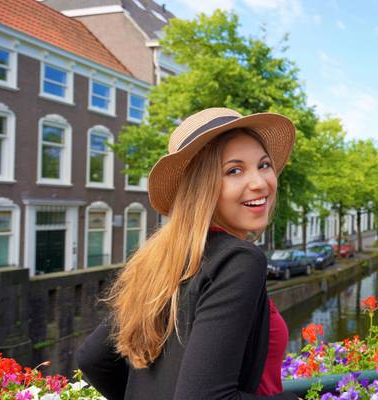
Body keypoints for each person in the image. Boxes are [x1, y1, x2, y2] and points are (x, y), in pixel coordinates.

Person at [75, 108, 299, 400]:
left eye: (264, 165)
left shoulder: (162, 260)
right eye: (234, 170)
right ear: (201, 187)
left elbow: (94, 358)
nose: (260, 183)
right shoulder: (239, 261)